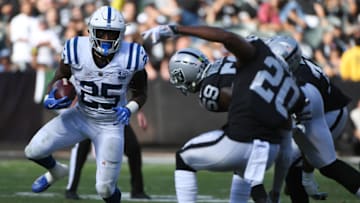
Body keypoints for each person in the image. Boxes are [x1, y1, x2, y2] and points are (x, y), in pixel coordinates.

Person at [142, 24, 307, 203]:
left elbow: (227, 40)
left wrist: (177, 29)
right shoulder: (288, 86)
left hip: (245, 139)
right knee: (244, 171)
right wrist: (275, 191)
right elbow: (285, 139)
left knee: (183, 158)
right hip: (270, 147)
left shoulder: (210, 88)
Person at [24, 6, 148, 203]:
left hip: (111, 124)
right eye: (102, 32)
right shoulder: (75, 49)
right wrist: (52, 95)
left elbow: (141, 93)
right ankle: (56, 171)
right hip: (80, 116)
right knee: (33, 151)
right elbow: (60, 77)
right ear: (91, 31)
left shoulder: (132, 56)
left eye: (112, 33)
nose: (106, 38)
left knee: (105, 190)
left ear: (122, 34)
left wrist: (129, 108)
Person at [267, 35, 360, 202]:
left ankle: (303, 184)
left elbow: (302, 119)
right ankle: (302, 184)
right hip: (316, 110)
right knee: (293, 164)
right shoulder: (295, 65)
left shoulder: (302, 82)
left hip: (328, 113)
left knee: (326, 165)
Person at [65, 111, 150, 200]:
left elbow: (137, 96)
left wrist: (139, 111)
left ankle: (138, 190)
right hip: (89, 115)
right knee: (81, 150)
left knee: (133, 148)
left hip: (113, 115)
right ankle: (71, 189)